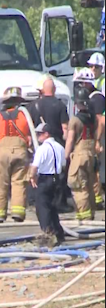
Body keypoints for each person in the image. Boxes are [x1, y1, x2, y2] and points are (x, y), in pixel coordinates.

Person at [0, 87, 32, 223]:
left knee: (0, 184)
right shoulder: (25, 116)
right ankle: (17, 213)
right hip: (20, 151)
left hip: (1, 153)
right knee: (19, 183)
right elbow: (30, 138)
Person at [28, 76, 71, 211]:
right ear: (55, 89)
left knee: (37, 170)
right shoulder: (60, 105)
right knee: (57, 173)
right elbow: (65, 128)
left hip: (38, 143)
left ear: (41, 90)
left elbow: (28, 127)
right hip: (56, 143)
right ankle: (59, 203)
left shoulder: (32, 106)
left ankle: (34, 200)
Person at [66, 89, 99, 221]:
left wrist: (65, 157)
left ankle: (84, 216)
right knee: (90, 184)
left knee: (78, 185)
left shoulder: (75, 120)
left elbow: (70, 139)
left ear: (77, 104)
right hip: (91, 155)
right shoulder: (93, 118)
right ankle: (88, 214)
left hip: (79, 155)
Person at [30, 123, 66, 245]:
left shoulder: (42, 149)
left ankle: (48, 233)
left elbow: (34, 167)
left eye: (40, 134)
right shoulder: (60, 147)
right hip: (57, 179)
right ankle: (59, 233)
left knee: (43, 208)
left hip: (45, 179)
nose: (38, 136)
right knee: (53, 207)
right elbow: (63, 164)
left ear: (46, 134)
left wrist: (32, 177)